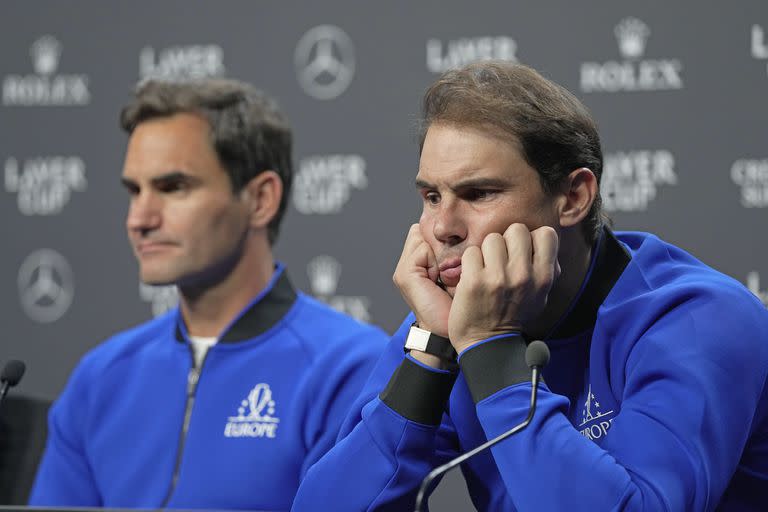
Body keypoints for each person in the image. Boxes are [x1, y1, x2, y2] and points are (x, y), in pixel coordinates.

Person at [291, 61, 768, 511]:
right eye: (432, 196)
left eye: (478, 194)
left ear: (573, 197)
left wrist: (491, 350)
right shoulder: (452, 322)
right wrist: (431, 351)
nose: (443, 227)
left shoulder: (700, 317)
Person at [29, 78, 388, 510]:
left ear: (260, 199)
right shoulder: (101, 377)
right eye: (134, 191)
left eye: (173, 187)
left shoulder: (350, 368)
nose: (139, 219)